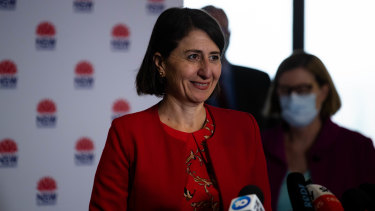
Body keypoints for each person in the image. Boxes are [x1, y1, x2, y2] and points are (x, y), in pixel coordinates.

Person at [89, 7, 272, 211]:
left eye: (214, 57)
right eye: (193, 57)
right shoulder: (127, 133)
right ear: (161, 64)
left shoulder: (244, 127)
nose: (206, 71)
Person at [261, 51, 375, 211]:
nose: (293, 98)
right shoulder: (259, 145)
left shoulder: (358, 147)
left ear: (324, 91)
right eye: (285, 90)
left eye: (303, 89)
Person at [202, 5, 271, 129]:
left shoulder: (259, 80)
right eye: (207, 30)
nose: (214, 36)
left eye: (220, 29)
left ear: (228, 34)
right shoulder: (186, 82)